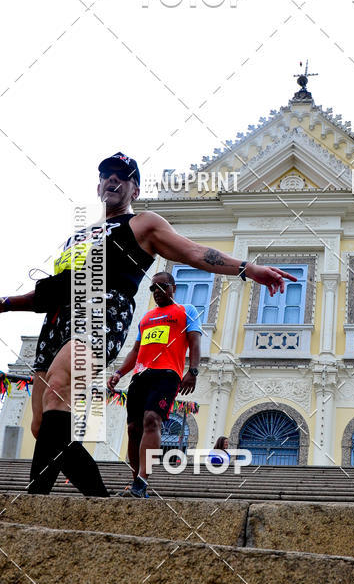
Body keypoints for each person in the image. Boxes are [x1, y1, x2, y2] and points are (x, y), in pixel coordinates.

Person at [0, 151, 297, 497]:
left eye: (122, 177)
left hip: (102, 309)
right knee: (42, 426)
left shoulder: (143, 224)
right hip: (55, 321)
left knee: (59, 389)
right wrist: (6, 304)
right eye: (107, 175)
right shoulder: (76, 237)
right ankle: (98, 498)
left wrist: (247, 268)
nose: (112, 180)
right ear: (98, 186)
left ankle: (34, 501)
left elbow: (195, 253)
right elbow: (49, 292)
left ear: (134, 190)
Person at [107, 271, 202, 498]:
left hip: (167, 375)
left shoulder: (186, 311)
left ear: (173, 288)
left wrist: (193, 371)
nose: (156, 292)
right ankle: (134, 484)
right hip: (140, 376)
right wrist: (119, 373)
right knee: (133, 429)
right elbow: (135, 350)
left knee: (152, 420)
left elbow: (195, 342)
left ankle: (143, 479)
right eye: (152, 288)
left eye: (162, 287)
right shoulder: (146, 318)